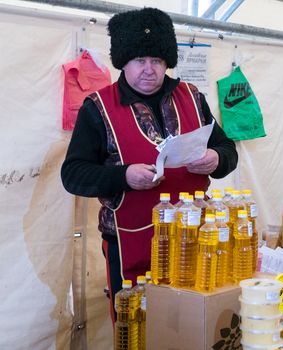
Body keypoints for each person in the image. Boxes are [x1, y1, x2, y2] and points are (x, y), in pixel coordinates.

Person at [61, 7, 238, 321]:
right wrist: (123, 175)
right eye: (139, 60)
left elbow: (226, 149)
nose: (149, 69)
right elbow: (73, 174)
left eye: (156, 60)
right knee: (138, 329)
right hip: (130, 243)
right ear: (123, 62)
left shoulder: (193, 98)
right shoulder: (98, 108)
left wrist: (216, 158)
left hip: (192, 240)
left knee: (191, 324)